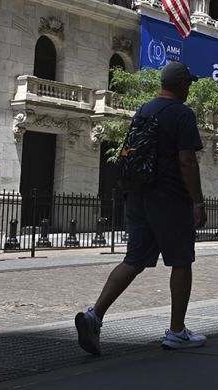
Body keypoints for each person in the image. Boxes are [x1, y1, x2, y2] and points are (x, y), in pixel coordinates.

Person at [75, 62, 208, 355]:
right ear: (183, 85)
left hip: (137, 195)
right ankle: (176, 331)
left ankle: (94, 315)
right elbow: (187, 161)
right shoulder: (182, 114)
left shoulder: (145, 110)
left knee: (133, 259)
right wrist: (197, 201)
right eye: (189, 84)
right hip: (170, 197)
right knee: (181, 260)